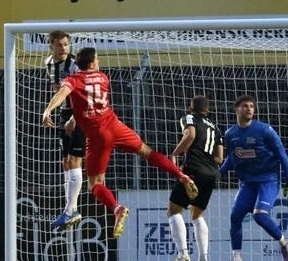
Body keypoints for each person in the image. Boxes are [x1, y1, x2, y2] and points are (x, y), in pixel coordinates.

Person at [42, 47, 198, 238]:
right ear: (92, 63)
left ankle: (116, 208)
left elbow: (64, 95)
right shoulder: (103, 78)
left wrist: (48, 110)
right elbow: (91, 102)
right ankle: (182, 176)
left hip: (98, 136)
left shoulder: (73, 80)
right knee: (147, 151)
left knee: (96, 184)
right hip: (115, 126)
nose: (98, 61)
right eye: (97, 59)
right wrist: (74, 120)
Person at [219, 95, 288, 261]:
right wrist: (219, 173)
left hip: (268, 180)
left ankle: (284, 243)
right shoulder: (230, 134)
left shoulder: (264, 130)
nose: (249, 109)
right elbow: (232, 158)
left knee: (260, 215)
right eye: (245, 106)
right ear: (236, 109)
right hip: (248, 183)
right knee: (235, 217)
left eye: (252, 106)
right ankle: (237, 260)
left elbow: (281, 154)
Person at [164, 96, 223, 261]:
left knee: (173, 210)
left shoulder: (189, 118)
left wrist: (175, 153)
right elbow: (219, 157)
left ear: (190, 108)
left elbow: (190, 134)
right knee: (197, 215)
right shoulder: (216, 128)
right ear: (208, 110)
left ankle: (183, 255)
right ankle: (204, 260)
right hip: (211, 173)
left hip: (193, 170)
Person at [45, 30, 84, 231]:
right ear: (51, 46)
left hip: (80, 114)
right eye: (59, 45)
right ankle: (70, 210)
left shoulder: (75, 65)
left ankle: (71, 211)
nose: (63, 48)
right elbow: (58, 91)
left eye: (66, 44)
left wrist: (75, 117)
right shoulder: (48, 63)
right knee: (66, 163)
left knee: (75, 161)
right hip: (64, 114)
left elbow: (85, 95)